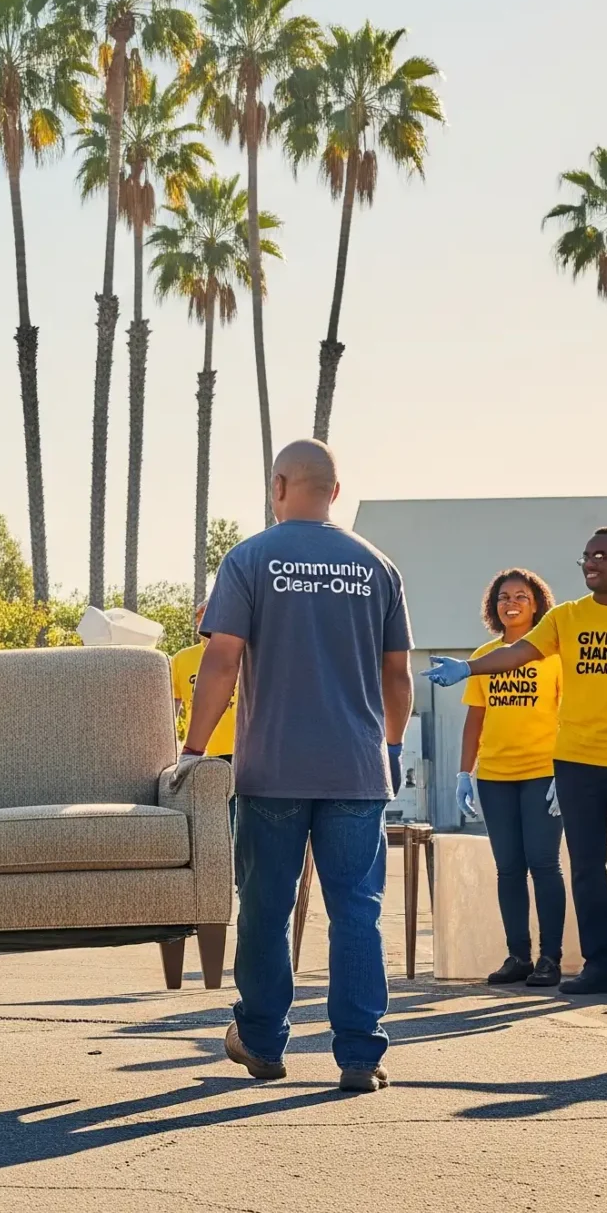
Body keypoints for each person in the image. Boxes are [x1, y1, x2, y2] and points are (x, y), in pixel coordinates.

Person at [182, 439, 410, 1094]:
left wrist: (193, 749)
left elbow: (221, 662)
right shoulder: (377, 566)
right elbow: (398, 674)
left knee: (265, 908)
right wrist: (391, 748)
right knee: (357, 912)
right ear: (334, 492)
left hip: (273, 768)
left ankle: (261, 1039)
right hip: (357, 771)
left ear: (278, 486)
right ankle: (360, 1055)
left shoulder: (250, 559)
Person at [428, 527, 607, 998]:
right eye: (586, 556)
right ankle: (600, 967)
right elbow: (517, 653)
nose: (591, 563)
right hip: (575, 763)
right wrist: (468, 668)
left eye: (601, 556)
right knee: (587, 868)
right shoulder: (567, 617)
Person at [459, 569, 565, 987]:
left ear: (537, 605)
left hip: (543, 774)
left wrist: (565, 770)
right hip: (495, 777)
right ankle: (518, 956)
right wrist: (464, 772)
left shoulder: (553, 655)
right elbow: (475, 717)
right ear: (494, 605)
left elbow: (569, 714)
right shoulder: (485, 655)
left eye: (521, 596)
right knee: (508, 869)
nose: (512, 603)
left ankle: (550, 958)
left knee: (544, 864)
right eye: (504, 597)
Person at [169, 606, 238, 760]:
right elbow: (172, 704)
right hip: (198, 751)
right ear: (198, 622)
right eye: (204, 616)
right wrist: (170, 744)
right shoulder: (182, 658)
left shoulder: (243, 654)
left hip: (238, 750)